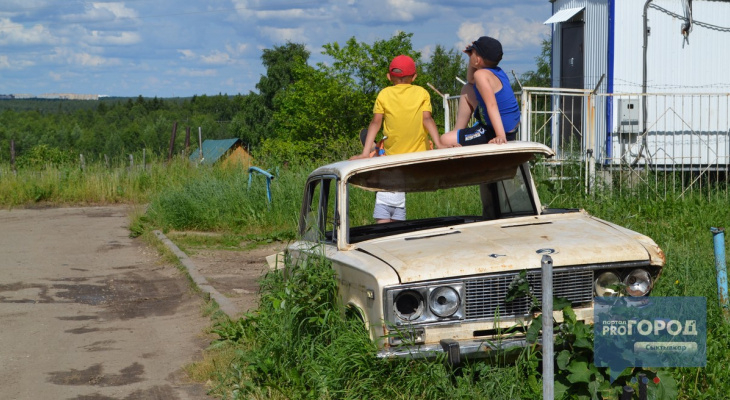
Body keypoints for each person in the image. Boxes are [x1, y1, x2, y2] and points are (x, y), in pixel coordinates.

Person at [350, 55, 442, 223]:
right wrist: (440, 144)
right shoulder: (422, 92)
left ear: (389, 77)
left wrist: (363, 154)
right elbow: (427, 119)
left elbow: (376, 122)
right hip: (419, 156)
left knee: (378, 152)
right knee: (425, 142)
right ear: (414, 77)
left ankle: (370, 149)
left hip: (393, 155)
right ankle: (373, 148)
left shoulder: (384, 94)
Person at [441, 36, 520, 147]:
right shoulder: (496, 71)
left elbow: (492, 105)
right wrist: (471, 58)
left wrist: (500, 135)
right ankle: (458, 133)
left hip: (500, 130)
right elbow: (470, 80)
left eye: (472, 53)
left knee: (444, 140)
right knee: (467, 89)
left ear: (478, 60)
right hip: (508, 126)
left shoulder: (480, 75)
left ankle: (456, 140)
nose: (470, 55)